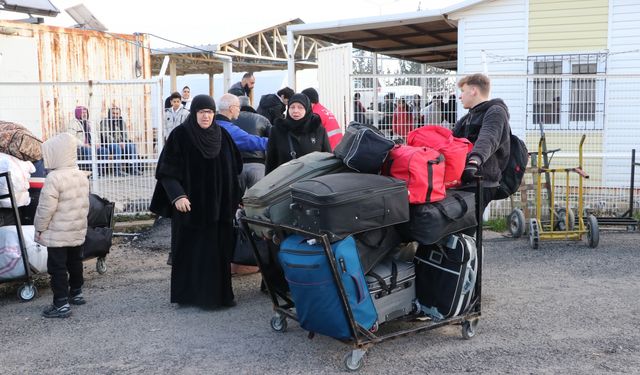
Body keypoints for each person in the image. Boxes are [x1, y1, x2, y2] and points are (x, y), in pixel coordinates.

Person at [149, 94, 243, 309]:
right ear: (194, 114)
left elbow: (234, 169)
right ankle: (190, 295)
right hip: (191, 208)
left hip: (219, 209)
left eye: (209, 112)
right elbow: (166, 171)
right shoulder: (180, 136)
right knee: (193, 251)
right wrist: (177, 196)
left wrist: (236, 198)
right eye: (201, 112)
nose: (206, 116)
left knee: (217, 252)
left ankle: (219, 296)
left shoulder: (223, 136)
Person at [34, 132, 90, 318]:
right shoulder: (82, 175)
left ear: (55, 154)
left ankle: (61, 304)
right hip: (77, 228)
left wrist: (39, 228)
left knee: (57, 267)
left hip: (58, 232)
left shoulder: (54, 178)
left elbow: (45, 208)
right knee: (75, 262)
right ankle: (76, 292)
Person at [453, 73, 511, 211]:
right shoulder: (468, 117)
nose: (460, 97)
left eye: (462, 91)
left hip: (481, 179)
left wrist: (474, 161)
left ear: (473, 91)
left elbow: (488, 137)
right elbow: (450, 140)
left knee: (467, 227)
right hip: (465, 178)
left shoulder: (495, 112)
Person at [265, 93, 331, 174]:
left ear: (307, 109)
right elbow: (270, 162)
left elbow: (328, 159)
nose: (295, 111)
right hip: (284, 182)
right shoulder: (277, 130)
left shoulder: (318, 130)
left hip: (312, 182)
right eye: (292, 107)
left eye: (300, 107)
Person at [232, 95, 271, 193]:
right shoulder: (262, 119)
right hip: (258, 165)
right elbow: (272, 140)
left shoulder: (230, 120)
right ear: (250, 105)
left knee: (234, 202)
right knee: (258, 199)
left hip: (235, 166)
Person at [100, 106, 143, 176]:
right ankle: (117, 171)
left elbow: (125, 134)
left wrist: (124, 141)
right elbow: (106, 135)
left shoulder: (122, 122)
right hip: (109, 144)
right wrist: (116, 142)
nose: (115, 115)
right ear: (109, 114)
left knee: (132, 146)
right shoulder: (105, 122)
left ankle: (133, 169)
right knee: (117, 147)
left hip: (121, 143)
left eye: (117, 113)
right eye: (113, 113)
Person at [67, 106, 101, 171]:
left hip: (92, 145)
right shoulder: (73, 123)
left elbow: (96, 135)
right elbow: (71, 137)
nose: (85, 114)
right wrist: (83, 144)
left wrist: (97, 143)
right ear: (78, 113)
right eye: (82, 113)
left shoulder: (90, 123)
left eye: (86, 112)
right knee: (88, 150)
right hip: (80, 147)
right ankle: (91, 171)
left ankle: (101, 172)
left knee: (103, 150)